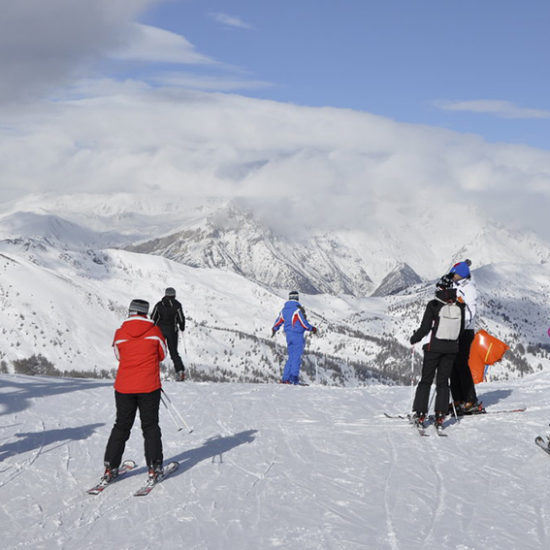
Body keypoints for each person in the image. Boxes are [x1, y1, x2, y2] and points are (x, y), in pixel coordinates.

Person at [102, 299, 167, 482]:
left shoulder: (120, 333)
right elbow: (162, 354)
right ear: (146, 313)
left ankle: (110, 467)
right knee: (150, 426)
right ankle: (154, 467)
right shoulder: (155, 332)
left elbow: (118, 355)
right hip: (148, 386)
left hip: (124, 387)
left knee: (121, 426)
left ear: (130, 312)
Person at [410, 276, 465, 428]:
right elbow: (460, 329)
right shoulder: (460, 306)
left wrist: (414, 339)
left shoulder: (433, 305)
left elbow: (425, 328)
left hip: (433, 348)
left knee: (426, 381)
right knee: (443, 382)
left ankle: (420, 414)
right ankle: (440, 415)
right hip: (452, 349)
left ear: (440, 288)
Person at [447, 260, 485, 415]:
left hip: (465, 330)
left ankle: (471, 399)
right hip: (452, 328)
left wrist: (462, 324)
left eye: (454, 274)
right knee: (452, 365)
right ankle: (458, 399)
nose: (452, 276)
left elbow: (471, 311)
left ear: (461, 274)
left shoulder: (469, 289)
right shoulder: (454, 286)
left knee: (461, 364)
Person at [272, 290, 317, 385]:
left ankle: (286, 379)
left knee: (291, 357)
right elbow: (303, 323)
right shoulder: (297, 310)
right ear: (297, 298)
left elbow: (278, 321)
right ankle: (293, 379)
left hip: (289, 336)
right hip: (297, 335)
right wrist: (312, 328)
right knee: (296, 357)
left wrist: (274, 329)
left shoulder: (284, 310)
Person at [151, 287, 186, 381]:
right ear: (174, 295)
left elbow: (153, 317)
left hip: (159, 330)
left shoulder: (159, 305)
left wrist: (151, 328)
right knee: (174, 352)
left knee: (156, 352)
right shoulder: (177, 305)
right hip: (172, 330)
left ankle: (150, 372)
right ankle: (180, 372)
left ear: (166, 294)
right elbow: (181, 318)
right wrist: (182, 327)